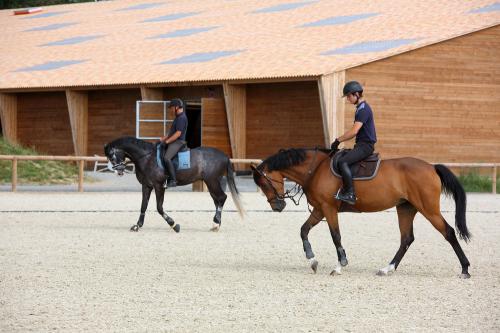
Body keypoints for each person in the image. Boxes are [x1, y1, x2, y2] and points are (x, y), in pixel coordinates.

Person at [331, 81, 377, 205]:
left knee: (343, 161)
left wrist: (338, 140)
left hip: (366, 146)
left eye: (348, 96)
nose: (347, 99)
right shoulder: (360, 108)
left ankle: (350, 193)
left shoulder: (363, 110)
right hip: (361, 145)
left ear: (356, 94)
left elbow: (354, 131)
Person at [160, 98, 188, 188]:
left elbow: (178, 133)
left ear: (176, 107)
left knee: (167, 158)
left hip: (179, 142)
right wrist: (162, 139)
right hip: (174, 141)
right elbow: (171, 132)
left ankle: (173, 180)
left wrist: (167, 141)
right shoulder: (177, 117)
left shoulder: (182, 118)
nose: (171, 110)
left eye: (172, 108)